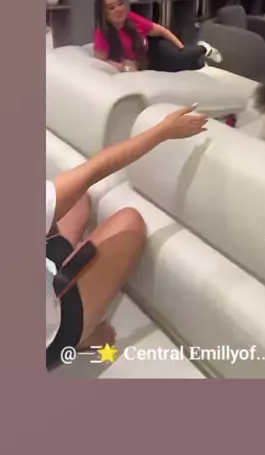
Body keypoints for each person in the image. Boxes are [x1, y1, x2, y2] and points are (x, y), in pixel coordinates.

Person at [46, 104, 208, 371]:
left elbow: (76, 183)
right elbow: (93, 170)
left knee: (75, 201)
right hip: (50, 335)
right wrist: (162, 131)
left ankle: (64, 270)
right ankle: (80, 336)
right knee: (129, 223)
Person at [93, 0, 221, 73]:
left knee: (179, 57)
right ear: (103, 14)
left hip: (155, 47)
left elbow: (160, 30)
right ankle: (199, 63)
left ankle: (203, 48)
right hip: (146, 63)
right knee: (185, 67)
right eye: (111, 8)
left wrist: (181, 48)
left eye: (120, 3)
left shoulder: (130, 17)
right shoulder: (102, 34)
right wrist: (124, 67)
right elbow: (103, 61)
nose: (118, 9)